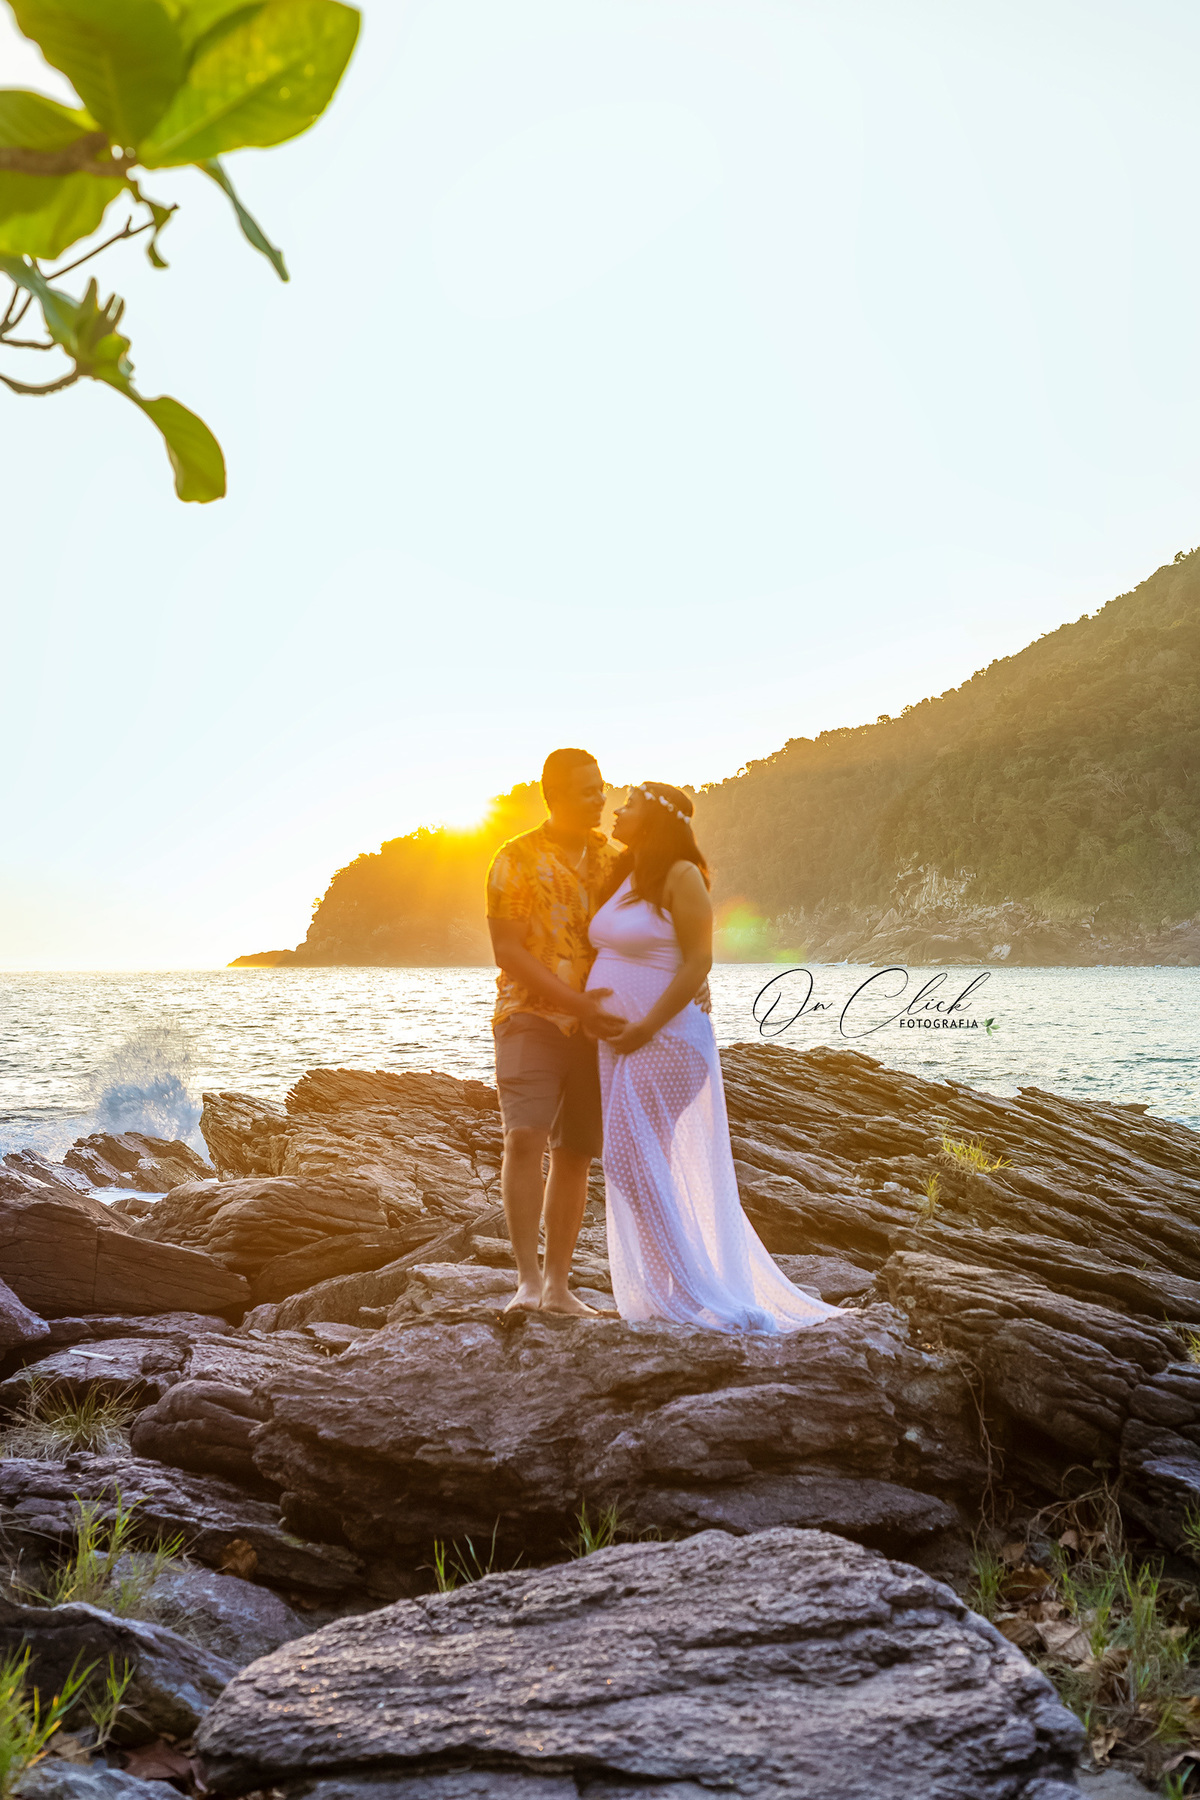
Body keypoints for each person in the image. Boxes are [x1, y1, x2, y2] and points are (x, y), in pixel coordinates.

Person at [587, 782, 838, 1332]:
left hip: (668, 1039)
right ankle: (670, 1287)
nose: (617, 811)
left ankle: (688, 1287)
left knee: (632, 1159)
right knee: (637, 1163)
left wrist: (645, 1026)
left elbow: (698, 961)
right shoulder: (624, 876)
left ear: (653, 817)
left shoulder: (682, 875)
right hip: (625, 1040)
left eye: (628, 805)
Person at [486, 748, 625, 1315]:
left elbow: (642, 934)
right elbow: (507, 949)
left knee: (575, 1153)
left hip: (598, 1030)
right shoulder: (513, 859)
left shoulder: (617, 860)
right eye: (589, 789)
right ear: (556, 794)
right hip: (528, 1016)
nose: (601, 795)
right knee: (525, 1136)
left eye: (601, 786)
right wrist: (574, 1001)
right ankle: (526, 1281)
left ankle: (559, 1287)